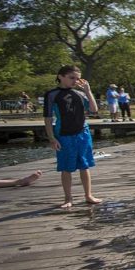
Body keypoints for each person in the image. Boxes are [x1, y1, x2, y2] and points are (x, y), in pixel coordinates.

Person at [44, 65, 102, 208]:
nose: (75, 81)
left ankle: (88, 195)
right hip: (63, 135)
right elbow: (48, 118)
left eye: (77, 78)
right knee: (66, 167)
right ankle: (68, 198)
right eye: (71, 78)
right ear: (60, 77)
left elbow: (94, 110)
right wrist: (52, 138)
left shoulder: (80, 94)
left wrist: (88, 91)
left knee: (84, 165)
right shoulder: (52, 95)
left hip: (82, 133)